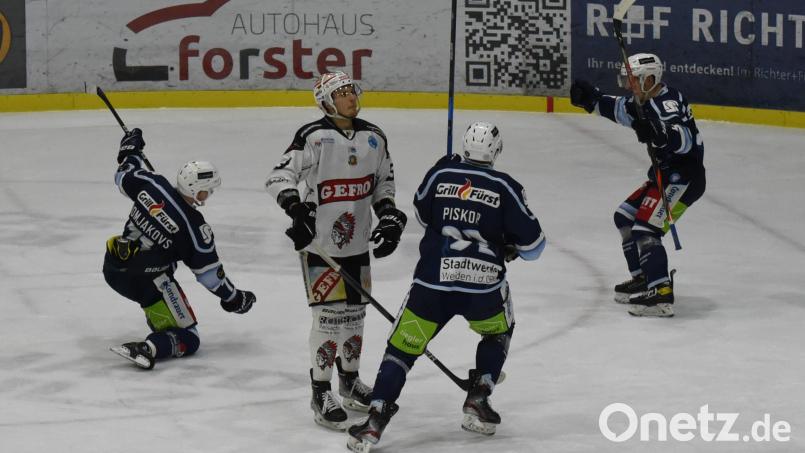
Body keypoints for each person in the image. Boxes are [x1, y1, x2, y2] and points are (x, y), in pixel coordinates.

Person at [347, 122, 546, 452]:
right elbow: (535, 247)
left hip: (432, 284)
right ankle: (479, 395)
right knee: (499, 331)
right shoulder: (507, 187)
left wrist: (445, 172)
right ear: (496, 151)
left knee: (401, 350)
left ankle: (374, 421)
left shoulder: (441, 174)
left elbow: (422, 215)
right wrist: (508, 246)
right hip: (482, 290)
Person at [265, 71, 406, 430]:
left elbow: (383, 183)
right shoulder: (313, 137)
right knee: (328, 320)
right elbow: (278, 177)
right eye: (341, 93)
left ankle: (349, 381)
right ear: (326, 101)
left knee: (355, 317)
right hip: (320, 246)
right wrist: (296, 210)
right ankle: (320, 390)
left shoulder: (375, 136)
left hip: (358, 245)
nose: (349, 98)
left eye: (351, 91)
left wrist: (388, 216)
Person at [105, 128, 256, 370]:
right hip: (147, 282)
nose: (210, 194)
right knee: (189, 338)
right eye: (209, 189)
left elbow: (123, 174)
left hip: (113, 270)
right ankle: (148, 348)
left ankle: (160, 318)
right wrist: (234, 299)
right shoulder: (194, 227)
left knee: (160, 280)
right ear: (197, 190)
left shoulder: (152, 183)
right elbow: (210, 276)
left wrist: (131, 150)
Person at [569, 53, 706, 317]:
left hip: (684, 178)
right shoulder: (642, 101)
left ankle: (661, 292)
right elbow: (619, 109)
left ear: (650, 79)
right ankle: (645, 276)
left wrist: (659, 132)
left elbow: (684, 138)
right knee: (625, 216)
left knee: (646, 229)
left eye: (634, 80)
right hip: (664, 176)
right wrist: (592, 100)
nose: (630, 86)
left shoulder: (666, 103)